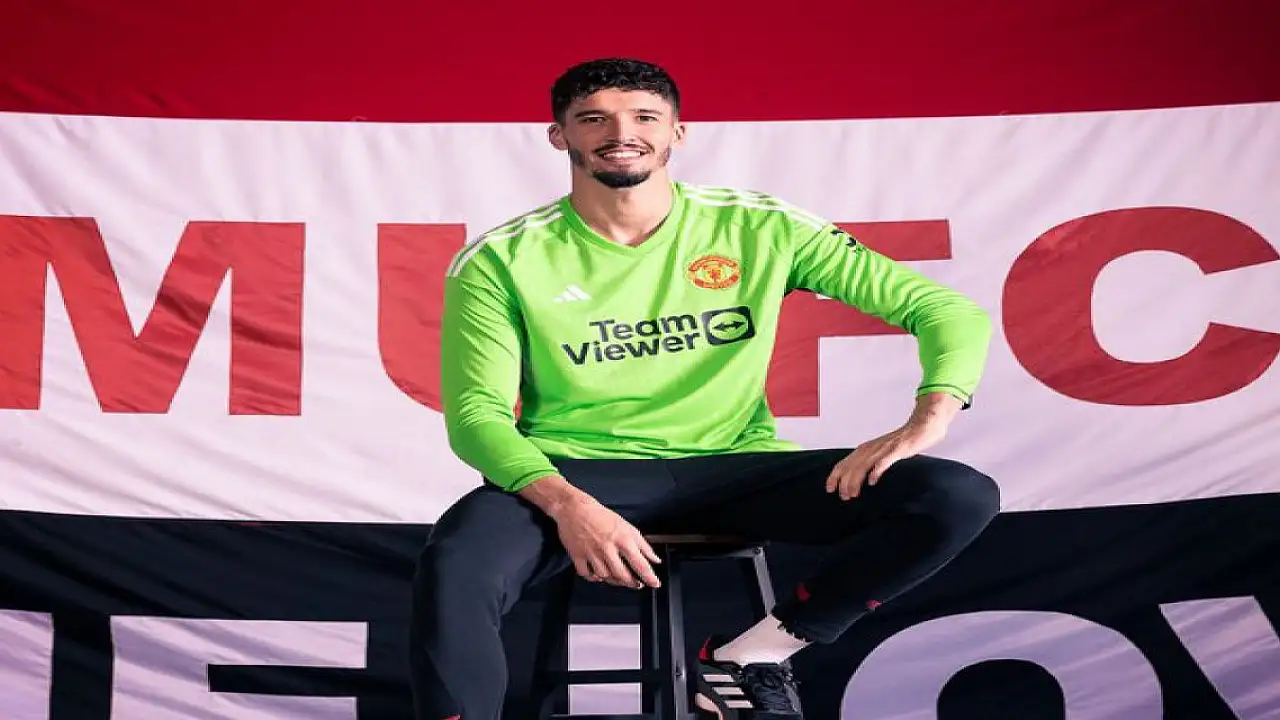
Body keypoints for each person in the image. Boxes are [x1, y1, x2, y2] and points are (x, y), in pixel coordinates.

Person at [410, 57, 1001, 719]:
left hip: (737, 467)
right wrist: (569, 505)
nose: (621, 133)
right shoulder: (502, 257)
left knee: (955, 495)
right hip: (578, 470)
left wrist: (929, 417)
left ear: (677, 133)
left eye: (644, 117)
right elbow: (476, 415)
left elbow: (945, 311)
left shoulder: (760, 226)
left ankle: (753, 655)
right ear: (559, 135)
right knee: (458, 563)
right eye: (594, 119)